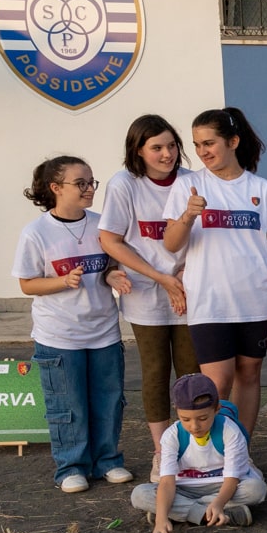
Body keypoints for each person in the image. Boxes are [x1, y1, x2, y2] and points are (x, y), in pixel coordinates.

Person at [162, 108, 267, 435]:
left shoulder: (263, 189)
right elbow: (170, 244)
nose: (203, 151)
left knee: (249, 376)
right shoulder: (187, 187)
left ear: (233, 141)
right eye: (197, 145)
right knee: (217, 383)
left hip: (256, 299)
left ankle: (241, 451)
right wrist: (188, 217)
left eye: (210, 143)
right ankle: (213, 453)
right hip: (210, 303)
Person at [14, 155, 134, 493]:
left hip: (104, 331)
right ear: (55, 188)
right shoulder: (35, 233)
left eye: (91, 182)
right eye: (80, 183)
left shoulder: (101, 224)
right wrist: (62, 282)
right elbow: (27, 284)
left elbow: (109, 263)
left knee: (109, 400)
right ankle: (71, 466)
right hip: (59, 335)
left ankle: (108, 461)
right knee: (68, 404)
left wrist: (114, 276)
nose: (89, 189)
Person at [97, 115, 197, 475]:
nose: (167, 153)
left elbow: (201, 235)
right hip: (145, 292)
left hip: (187, 290)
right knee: (155, 371)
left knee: (190, 372)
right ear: (138, 150)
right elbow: (110, 239)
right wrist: (158, 276)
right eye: (156, 147)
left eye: (171, 145)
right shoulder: (124, 184)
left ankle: (193, 450)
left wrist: (184, 273)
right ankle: (162, 453)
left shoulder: (191, 181)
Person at [134, 372, 267, 533]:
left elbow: (232, 478)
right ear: (177, 412)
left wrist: (218, 503)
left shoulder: (229, 430)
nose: (195, 426)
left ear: (217, 409)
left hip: (221, 486)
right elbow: (167, 482)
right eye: (186, 419)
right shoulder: (172, 435)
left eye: (203, 418)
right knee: (139, 494)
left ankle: (177, 513)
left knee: (256, 489)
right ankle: (209, 514)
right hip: (183, 488)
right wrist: (160, 520)